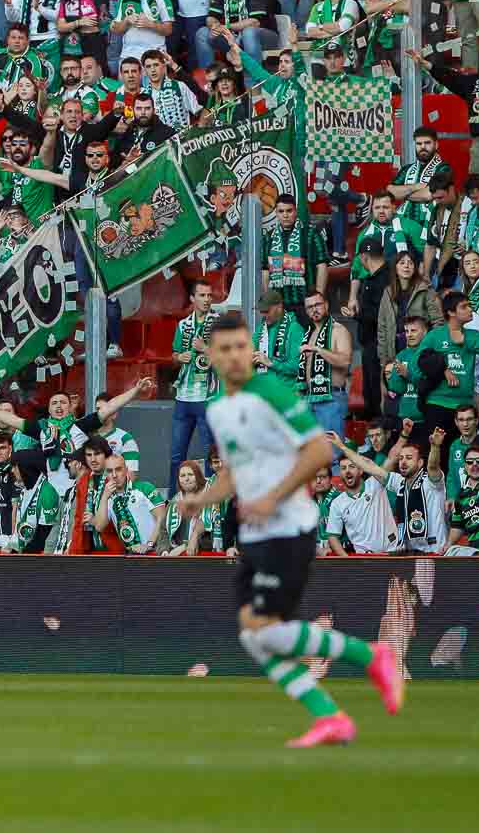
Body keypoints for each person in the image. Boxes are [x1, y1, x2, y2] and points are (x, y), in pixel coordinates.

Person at [172, 311, 402, 747]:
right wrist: (201, 500)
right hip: (255, 533)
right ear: (211, 356)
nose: (237, 356)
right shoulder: (219, 408)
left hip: (289, 525)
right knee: (254, 637)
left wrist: (273, 498)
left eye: (242, 346)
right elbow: (235, 471)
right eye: (226, 349)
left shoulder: (272, 390)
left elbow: (318, 451)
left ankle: (371, 655)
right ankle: (330, 716)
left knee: (264, 629)